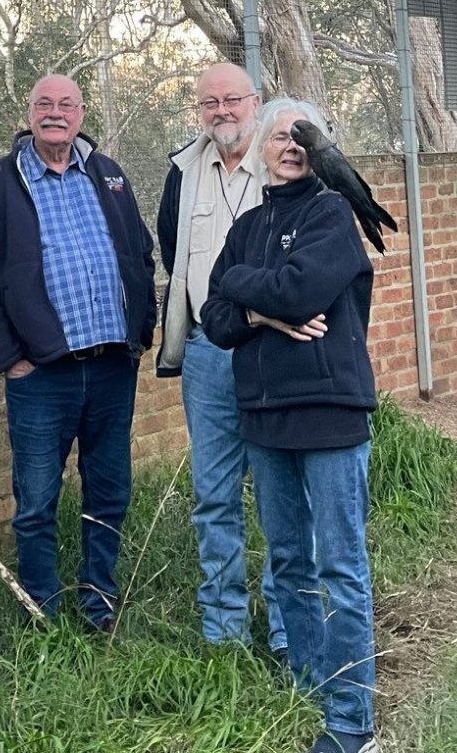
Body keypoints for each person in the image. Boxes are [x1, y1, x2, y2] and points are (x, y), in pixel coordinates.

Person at [201, 98, 380, 753]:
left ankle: (352, 718)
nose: (293, 144)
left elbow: (298, 291)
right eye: (280, 134)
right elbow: (213, 316)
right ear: (259, 148)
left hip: (330, 410)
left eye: (305, 135)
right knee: (287, 562)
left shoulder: (333, 214)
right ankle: (309, 682)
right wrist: (259, 316)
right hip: (265, 416)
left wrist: (247, 290)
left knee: (340, 565)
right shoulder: (247, 226)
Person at [0, 74, 157, 631]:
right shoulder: (1, 184)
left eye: (66, 105)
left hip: (112, 367)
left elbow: (141, 254)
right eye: (44, 104)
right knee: (37, 500)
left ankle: (100, 607)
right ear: (29, 114)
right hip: (41, 375)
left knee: (110, 490)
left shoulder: (109, 175)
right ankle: (42, 613)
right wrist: (8, 358)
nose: (56, 113)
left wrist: (140, 332)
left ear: (81, 112)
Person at [156, 63, 286, 654]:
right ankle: (224, 632)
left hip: (275, 350)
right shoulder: (183, 173)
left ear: (255, 103)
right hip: (210, 353)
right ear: (199, 110)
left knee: (282, 489)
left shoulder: (283, 161)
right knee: (215, 494)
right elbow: (172, 252)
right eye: (210, 103)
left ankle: (288, 629)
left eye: (233, 99)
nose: (222, 112)